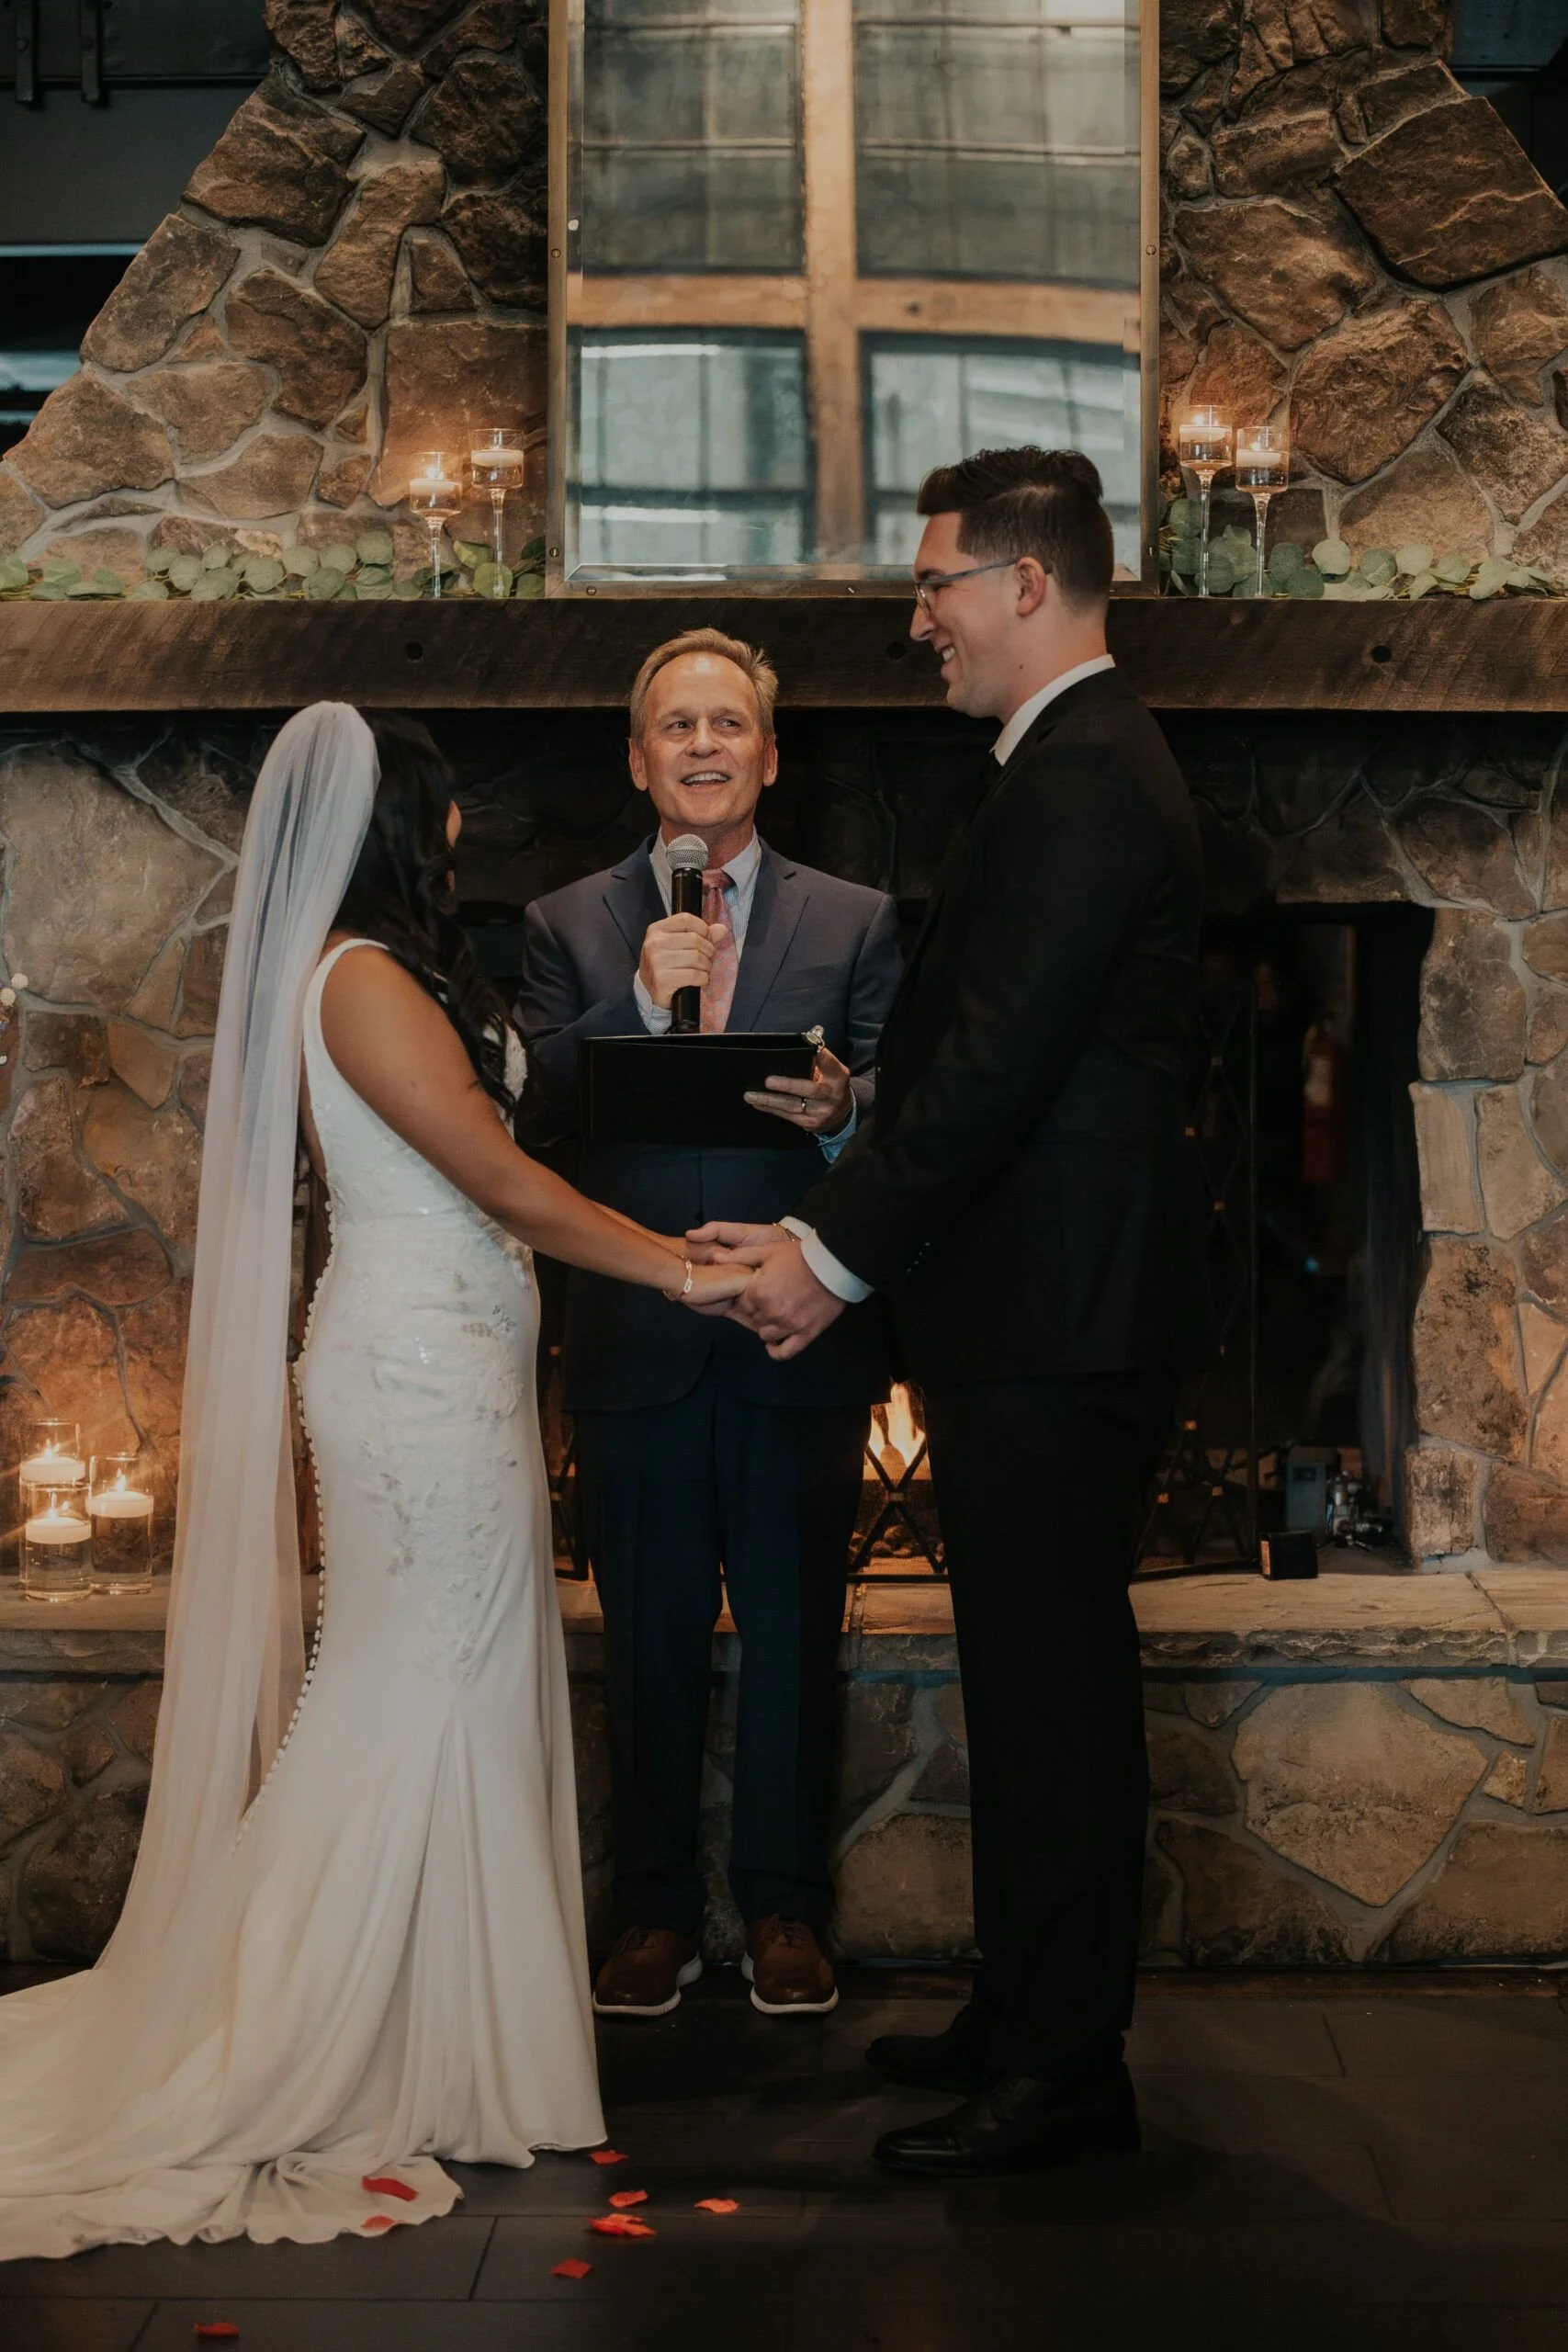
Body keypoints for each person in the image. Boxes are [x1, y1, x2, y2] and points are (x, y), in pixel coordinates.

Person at [0, 705, 748, 2260]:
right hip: (413, 1377)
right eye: (444, 803)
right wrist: (685, 1272)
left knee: (447, 1680)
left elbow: (503, 1142)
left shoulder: (390, 975)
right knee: (420, 1685)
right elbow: (495, 1178)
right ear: (402, 823)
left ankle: (449, 2038)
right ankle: (340, 2031)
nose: (462, 824)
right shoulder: (356, 979)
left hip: (452, 1363)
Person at [694, 450, 1209, 2174]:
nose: (915, 619)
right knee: (1025, 1675)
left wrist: (825, 1257)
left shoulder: (1085, 775)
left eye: (933, 585)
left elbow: (1001, 1068)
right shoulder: (1065, 762)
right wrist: (855, 1123)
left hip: (1059, 1318)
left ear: (1025, 586)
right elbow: (990, 1050)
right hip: (1037, 1311)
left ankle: (1066, 2075)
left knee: (1052, 1693)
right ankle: (1023, 2011)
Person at [515, 629, 900, 2019]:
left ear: (769, 757)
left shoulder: (856, 919)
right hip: (637, 1334)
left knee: (796, 1636)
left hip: (797, 1328)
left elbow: (918, 1115)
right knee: (649, 1638)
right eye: (675, 726)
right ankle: (655, 1912)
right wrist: (630, 1000)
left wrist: (847, 1110)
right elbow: (528, 1122)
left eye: (726, 724)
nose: (701, 745)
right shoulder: (565, 923)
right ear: (637, 761)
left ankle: (786, 1910)